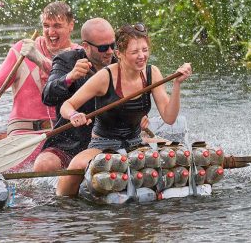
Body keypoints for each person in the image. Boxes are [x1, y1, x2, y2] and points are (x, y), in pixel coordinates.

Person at [57, 23, 192, 196]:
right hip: (103, 145)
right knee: (76, 165)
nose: (142, 56)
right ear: (118, 54)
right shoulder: (105, 77)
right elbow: (66, 106)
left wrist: (177, 85)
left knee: (183, 155)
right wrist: (75, 115)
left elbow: (169, 118)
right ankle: (62, 205)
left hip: (136, 142)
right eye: (135, 52)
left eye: (145, 50)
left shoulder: (152, 73)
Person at [0, 1, 80, 170]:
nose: (51, 32)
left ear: (71, 26)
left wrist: (39, 60)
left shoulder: (78, 55)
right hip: (22, 136)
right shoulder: (21, 50)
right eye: (46, 26)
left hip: (62, 136)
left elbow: (63, 79)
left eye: (57, 26)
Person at [33, 18, 120, 172]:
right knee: (43, 165)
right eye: (103, 48)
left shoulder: (121, 61)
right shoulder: (66, 61)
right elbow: (47, 96)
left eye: (113, 45)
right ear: (85, 46)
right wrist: (70, 77)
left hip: (111, 140)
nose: (110, 52)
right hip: (69, 142)